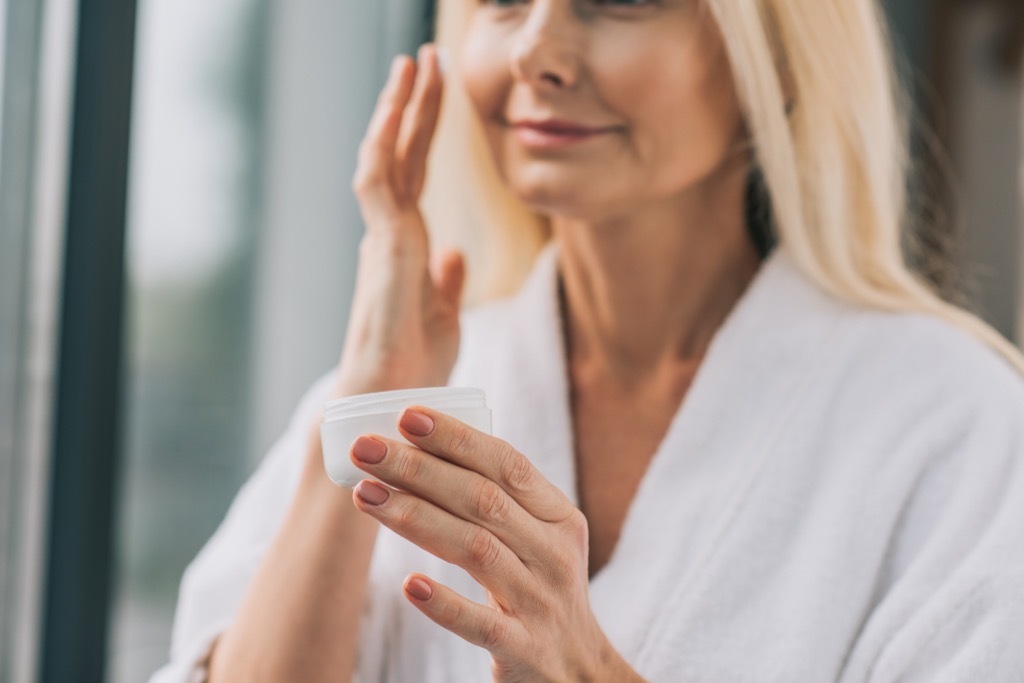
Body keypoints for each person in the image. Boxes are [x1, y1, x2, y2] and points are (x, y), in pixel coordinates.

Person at [152, 1, 1024, 681]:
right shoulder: (395, 397)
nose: (537, 49)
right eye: (502, 0)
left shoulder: (956, 423)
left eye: (621, 0)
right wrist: (369, 386)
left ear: (779, 59)